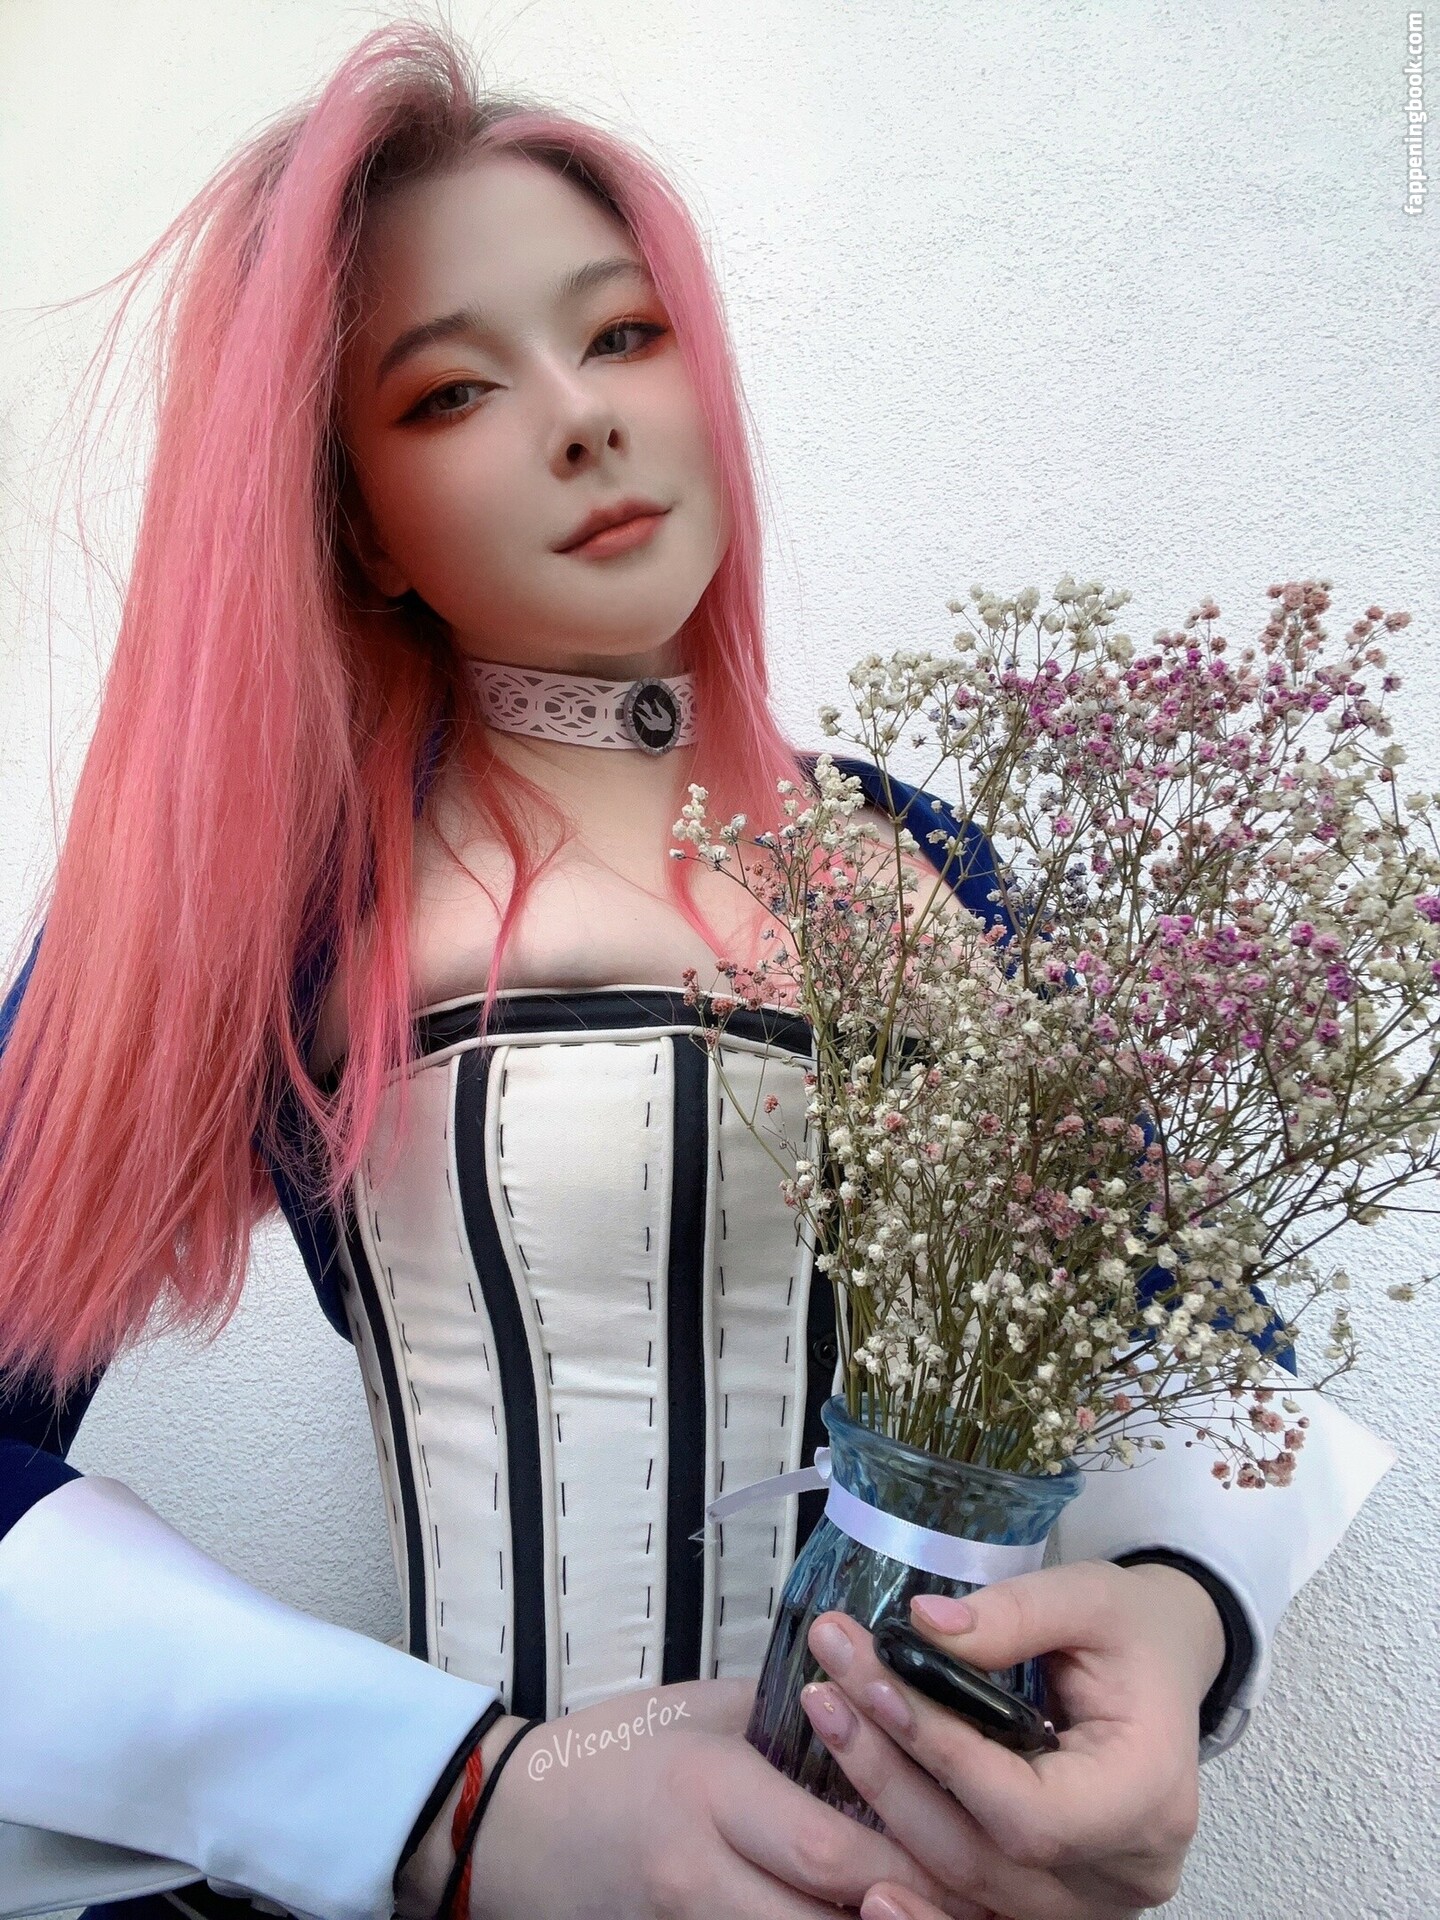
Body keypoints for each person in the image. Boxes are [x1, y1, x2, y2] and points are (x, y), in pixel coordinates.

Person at [0, 22, 1396, 1920]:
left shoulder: (930, 867)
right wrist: (463, 1799)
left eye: (625, 332)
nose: (580, 416)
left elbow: (1196, 1347)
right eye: (449, 392)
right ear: (355, 527)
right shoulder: (275, 893)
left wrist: (1171, 1619)